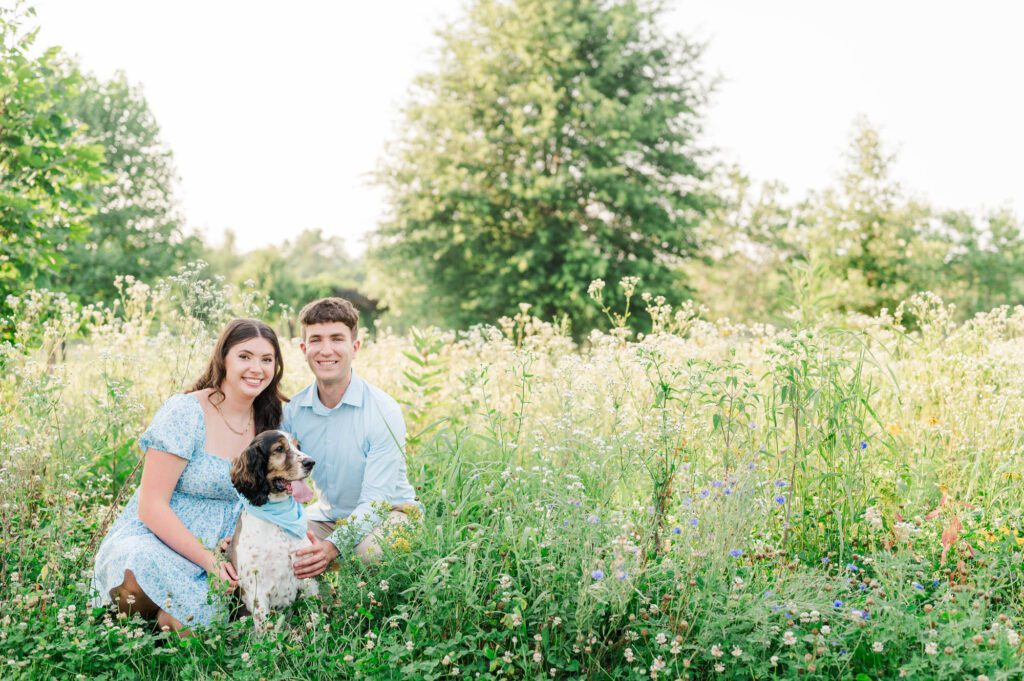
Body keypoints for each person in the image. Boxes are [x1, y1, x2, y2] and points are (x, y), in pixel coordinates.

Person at [92, 318, 287, 631]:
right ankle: (137, 617)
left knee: (185, 627)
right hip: (161, 538)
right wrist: (208, 561)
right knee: (135, 569)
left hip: (226, 550)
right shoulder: (186, 411)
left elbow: (274, 496)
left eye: (267, 359)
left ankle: (167, 623)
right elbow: (152, 505)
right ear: (223, 358)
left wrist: (240, 536)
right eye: (245, 356)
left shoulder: (271, 421)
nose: (257, 368)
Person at [285, 297, 419, 579]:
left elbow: (376, 502)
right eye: (316, 340)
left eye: (337, 339)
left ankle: (351, 594)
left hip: (389, 513)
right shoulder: (293, 411)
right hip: (327, 516)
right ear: (303, 348)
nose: (326, 350)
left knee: (369, 551)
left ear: (354, 347)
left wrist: (332, 546)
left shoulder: (383, 410)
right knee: (276, 538)